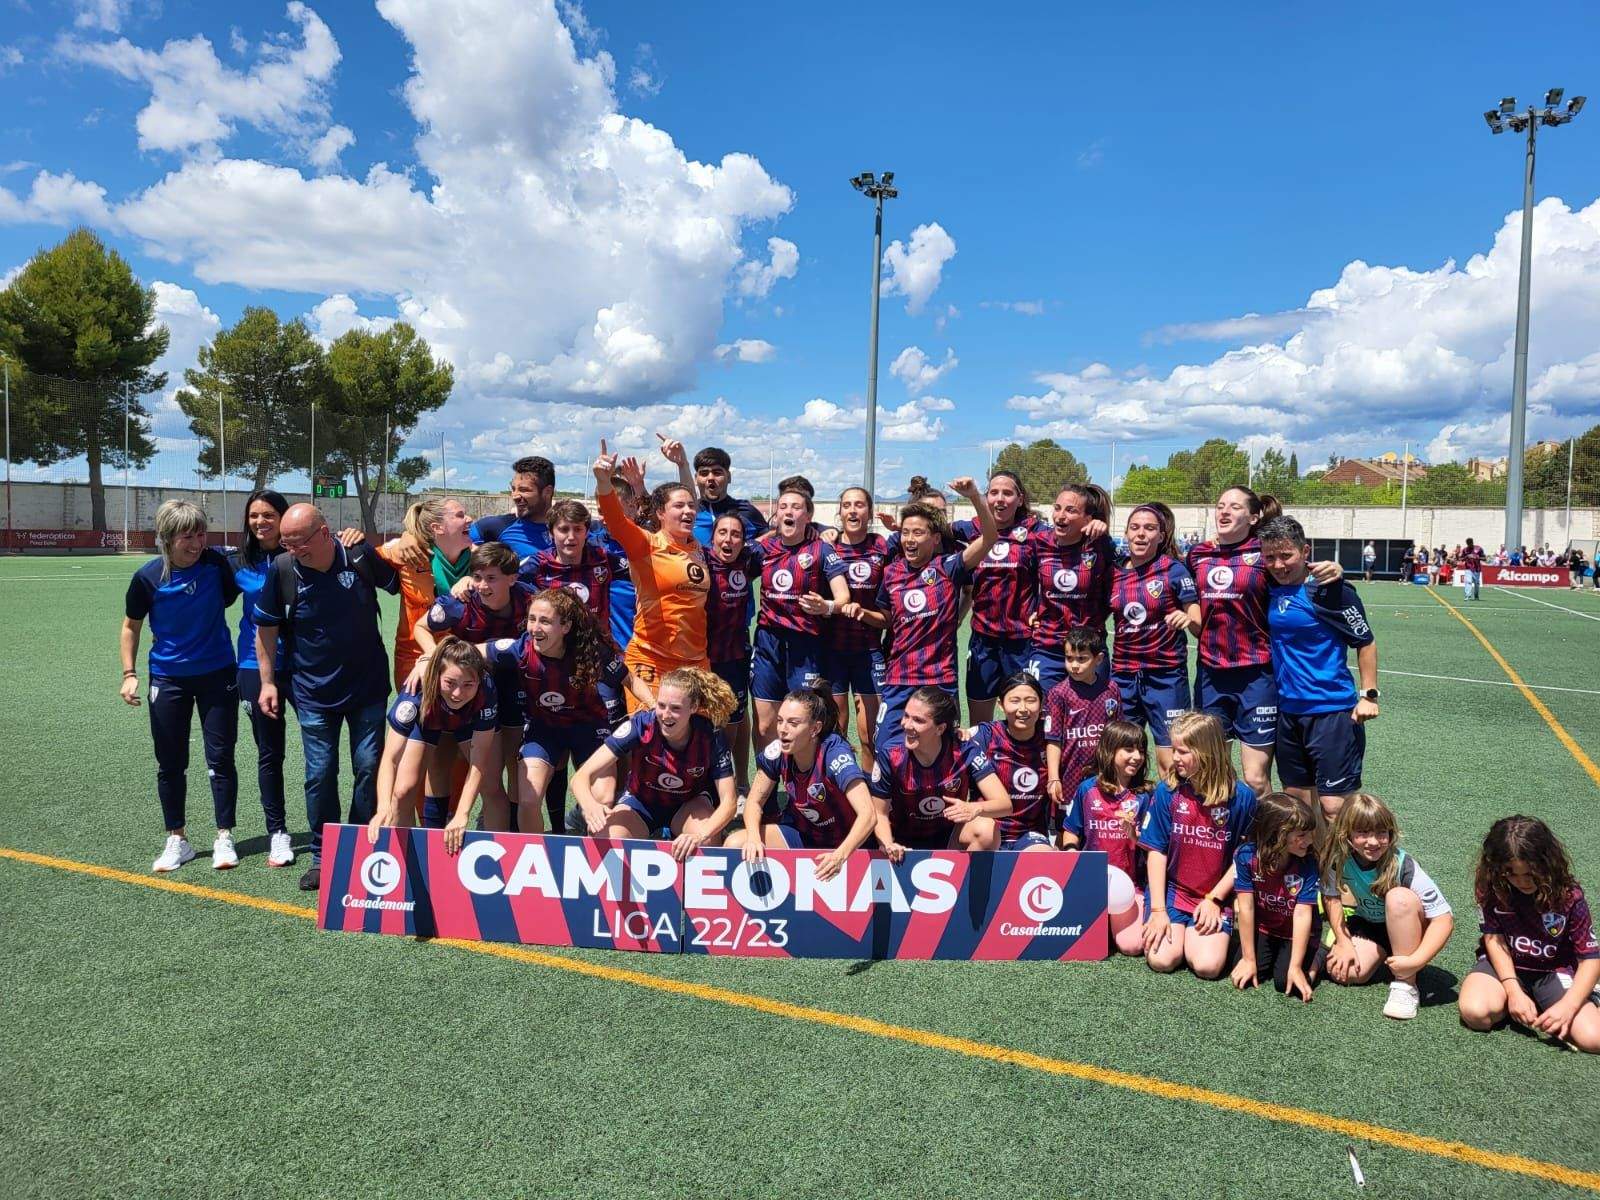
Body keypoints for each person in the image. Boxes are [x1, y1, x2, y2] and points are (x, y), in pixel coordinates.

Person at [253, 503, 401, 891]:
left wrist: (388, 543)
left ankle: (359, 842)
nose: (291, 549)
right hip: (313, 693)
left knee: (369, 768)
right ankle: (323, 854)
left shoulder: (358, 555)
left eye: (298, 541)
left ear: (324, 532)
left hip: (367, 688)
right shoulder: (282, 570)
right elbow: (266, 631)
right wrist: (268, 683)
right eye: (286, 542)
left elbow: (402, 582)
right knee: (320, 775)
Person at [1189, 488, 1342, 797]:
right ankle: (1223, 840)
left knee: (1256, 779)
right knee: (1211, 771)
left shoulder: (1264, 554)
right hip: (1210, 674)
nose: (1224, 512)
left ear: (1254, 516)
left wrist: (1337, 570)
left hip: (1256, 675)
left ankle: (1268, 841)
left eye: (1234, 506)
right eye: (1220, 506)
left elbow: (1300, 572)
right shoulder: (1197, 554)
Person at [121, 500, 242, 873]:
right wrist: (129, 674)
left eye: (201, 534)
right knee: (170, 761)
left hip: (218, 673)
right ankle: (178, 838)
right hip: (168, 678)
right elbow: (131, 626)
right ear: (167, 539)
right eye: (187, 537)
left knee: (220, 757)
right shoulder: (147, 577)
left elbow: (243, 580)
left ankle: (224, 836)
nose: (196, 543)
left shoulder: (217, 565)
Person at [483, 588, 653, 835]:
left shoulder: (590, 650)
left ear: (565, 627)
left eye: (545, 621)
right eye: (532, 619)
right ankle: (534, 859)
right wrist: (430, 660)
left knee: (603, 798)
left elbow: (630, 680)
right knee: (528, 800)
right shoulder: (520, 649)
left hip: (590, 727)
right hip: (544, 730)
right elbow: (471, 653)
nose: (535, 628)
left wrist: (652, 706)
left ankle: (594, 861)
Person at [851, 478, 996, 751]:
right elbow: (886, 619)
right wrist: (864, 613)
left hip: (938, 678)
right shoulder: (892, 572)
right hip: (899, 677)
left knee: (942, 750)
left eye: (918, 533)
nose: (909, 539)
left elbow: (989, 537)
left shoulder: (949, 567)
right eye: (905, 533)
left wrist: (975, 496)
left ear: (935, 538)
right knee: (885, 745)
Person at [1258, 515, 1378, 825]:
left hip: (1333, 713)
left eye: (1287, 555)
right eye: (1270, 557)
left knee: (1335, 808)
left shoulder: (1330, 591)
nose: (1279, 564)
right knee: (1299, 808)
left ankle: (1347, 873)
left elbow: (1365, 642)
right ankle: (1315, 870)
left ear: (1305, 551)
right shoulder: (1268, 584)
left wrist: (1369, 695)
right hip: (1289, 714)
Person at [416, 541, 533, 829]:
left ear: (513, 578)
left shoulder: (531, 602)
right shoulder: (460, 602)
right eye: (477, 577)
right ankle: (433, 836)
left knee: (514, 766)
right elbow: (421, 626)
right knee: (441, 761)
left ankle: (511, 841)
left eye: (491, 578)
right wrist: (432, 657)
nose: (481, 585)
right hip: (467, 691)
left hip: (516, 688)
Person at [1460, 815, 1600, 1052]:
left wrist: (1568, 1005)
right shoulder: (1491, 885)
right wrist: (1513, 990)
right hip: (1503, 966)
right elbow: (1494, 939)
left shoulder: (1568, 896)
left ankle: (1577, 996)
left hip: (1552, 970)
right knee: (1476, 1013)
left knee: (1594, 1039)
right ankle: (1513, 1001)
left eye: (1530, 873)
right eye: (1511, 873)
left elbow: (1590, 958)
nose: (1522, 881)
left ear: (1548, 862)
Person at [571, 667, 740, 861]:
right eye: (661, 705)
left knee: (706, 842)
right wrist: (590, 805)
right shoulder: (640, 726)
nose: (666, 715)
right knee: (605, 839)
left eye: (675, 708)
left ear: (693, 707)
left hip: (688, 804)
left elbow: (730, 802)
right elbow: (580, 777)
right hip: (641, 803)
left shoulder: (711, 735)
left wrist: (700, 835)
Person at [1138, 711, 1257, 980]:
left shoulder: (1242, 797)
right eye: (1174, 749)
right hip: (1172, 892)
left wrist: (1215, 899)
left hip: (1214, 894)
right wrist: (1158, 910)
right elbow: (1156, 851)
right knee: (1162, 959)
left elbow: (1245, 857)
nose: (1174, 758)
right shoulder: (1168, 791)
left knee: (1207, 966)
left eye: (1182, 751)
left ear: (1206, 752)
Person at [593, 440, 711, 701]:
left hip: (695, 664)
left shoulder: (697, 547)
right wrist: (604, 481)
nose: (688, 510)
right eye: (678, 507)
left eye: (691, 505)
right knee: (650, 736)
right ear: (660, 513)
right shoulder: (646, 544)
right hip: (652, 662)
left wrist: (682, 463)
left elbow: (686, 496)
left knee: (698, 738)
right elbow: (615, 520)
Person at [1323, 793, 1455, 1021]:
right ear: (1346, 834)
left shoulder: (1403, 864)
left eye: (1381, 833)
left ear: (1391, 833)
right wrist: (1343, 941)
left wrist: (1417, 960)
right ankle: (1381, 954)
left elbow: (1444, 918)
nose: (1373, 842)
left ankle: (1406, 984)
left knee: (1398, 898)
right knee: (1344, 972)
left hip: (1409, 925)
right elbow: (1331, 897)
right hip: (1370, 924)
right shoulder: (1337, 858)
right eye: (1363, 833)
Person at [726, 687, 877, 876]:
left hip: (847, 842)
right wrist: (754, 837)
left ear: (815, 728)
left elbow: (868, 815)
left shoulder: (834, 754)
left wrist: (840, 856)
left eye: (793, 723)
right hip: (803, 835)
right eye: (780, 721)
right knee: (735, 844)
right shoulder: (777, 751)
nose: (782, 730)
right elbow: (754, 802)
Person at [367, 636, 503, 837]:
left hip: (470, 719)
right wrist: (383, 806)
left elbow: (478, 763)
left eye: (468, 684)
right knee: (402, 791)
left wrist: (461, 814)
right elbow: (390, 758)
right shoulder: (415, 694)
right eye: (450, 682)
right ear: (436, 676)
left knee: (491, 786)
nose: (457, 693)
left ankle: (500, 853)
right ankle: (406, 858)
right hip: (429, 717)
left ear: (479, 681)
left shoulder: (486, 689)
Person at [750, 486, 851, 746]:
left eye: (796, 507)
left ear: (808, 516)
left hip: (806, 644)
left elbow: (843, 598)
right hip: (768, 643)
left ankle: (807, 784)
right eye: (783, 507)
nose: (788, 512)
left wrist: (825, 606)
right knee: (764, 726)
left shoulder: (822, 550)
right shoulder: (765, 549)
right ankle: (767, 787)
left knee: (804, 723)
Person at [227, 488, 295, 867]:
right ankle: (278, 832)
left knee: (321, 752)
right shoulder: (236, 563)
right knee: (270, 753)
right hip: (255, 668)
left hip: (302, 665)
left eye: (269, 515)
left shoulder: (300, 556)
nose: (260, 522)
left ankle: (330, 830)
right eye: (254, 516)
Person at [1110, 503, 1200, 773]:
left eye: (1149, 528)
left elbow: (1196, 620)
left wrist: (1189, 619)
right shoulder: (1113, 572)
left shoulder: (1173, 570)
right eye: (1135, 528)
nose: (1141, 534)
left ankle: (1174, 814)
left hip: (1165, 676)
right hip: (1123, 676)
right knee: (1124, 758)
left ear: (1161, 535)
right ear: (1125, 533)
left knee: (1171, 760)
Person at [868, 687, 1013, 854]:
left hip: (949, 838)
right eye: (906, 716)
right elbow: (879, 812)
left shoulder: (965, 750)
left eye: (918, 720)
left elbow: (1004, 804)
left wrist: (974, 808)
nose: (906, 725)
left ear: (940, 729)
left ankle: (962, 877)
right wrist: (888, 845)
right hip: (901, 841)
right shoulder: (890, 754)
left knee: (986, 829)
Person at [1059, 720, 1152, 956]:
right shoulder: (1087, 789)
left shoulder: (1147, 795)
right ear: (1109, 751)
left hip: (1131, 886)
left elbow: (1156, 846)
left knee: (1132, 946)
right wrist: (1071, 854)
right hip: (1091, 883)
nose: (1136, 757)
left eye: (1140, 750)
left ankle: (1117, 922)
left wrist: (1135, 835)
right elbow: (1071, 829)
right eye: (1128, 750)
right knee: (1077, 942)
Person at [957, 470, 1041, 725]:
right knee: (979, 723)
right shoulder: (969, 529)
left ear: (1020, 499)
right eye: (994, 492)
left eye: (1008, 493)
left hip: (1022, 641)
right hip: (983, 641)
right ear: (986, 497)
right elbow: (928, 530)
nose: (1000, 499)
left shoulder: (1036, 532)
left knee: (1023, 717)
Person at [1230, 791, 1322, 1002]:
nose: (1309, 841)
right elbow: (1246, 907)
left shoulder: (1308, 862)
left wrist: (1297, 966)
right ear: (1276, 835)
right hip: (1265, 928)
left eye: (1310, 833)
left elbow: (1301, 913)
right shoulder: (1245, 856)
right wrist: (1248, 958)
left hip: (1294, 932)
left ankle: (1320, 953)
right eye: (1301, 835)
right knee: (1245, 972)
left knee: (1285, 983)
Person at [1027, 483, 1114, 692]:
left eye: (1070, 510)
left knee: (1093, 719)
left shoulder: (1101, 545)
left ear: (1088, 519)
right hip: (1047, 647)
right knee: (1041, 714)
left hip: (1088, 648)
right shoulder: (1039, 543)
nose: (1060, 516)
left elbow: (1118, 587)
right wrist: (1033, 608)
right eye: (1057, 508)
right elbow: (1023, 578)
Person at [824, 487, 890, 762]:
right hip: (832, 651)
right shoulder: (827, 546)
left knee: (870, 734)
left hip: (868, 649)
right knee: (835, 732)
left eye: (860, 505)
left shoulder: (883, 547)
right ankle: (840, 793)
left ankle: (872, 794)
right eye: (847, 505)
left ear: (870, 512)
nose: (853, 510)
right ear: (839, 512)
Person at [387, 497, 474, 692]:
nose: (469, 518)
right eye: (460, 515)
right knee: (411, 719)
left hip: (461, 659)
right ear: (437, 528)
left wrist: (473, 580)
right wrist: (406, 536)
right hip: (415, 658)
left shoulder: (478, 559)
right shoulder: (409, 553)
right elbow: (367, 556)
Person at [967, 673, 1053, 851]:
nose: (1023, 708)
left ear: (1042, 703)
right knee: (985, 833)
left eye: (1031, 700)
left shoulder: (1050, 739)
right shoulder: (985, 736)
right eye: (1014, 701)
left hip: (1029, 834)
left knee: (1044, 854)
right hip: (987, 826)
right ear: (1001, 704)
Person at [704, 512, 758, 791]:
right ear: (712, 538)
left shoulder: (748, 562)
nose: (728, 539)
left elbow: (776, 538)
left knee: (731, 724)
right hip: (700, 657)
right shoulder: (699, 560)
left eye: (735, 534)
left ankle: (736, 785)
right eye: (722, 532)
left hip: (735, 656)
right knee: (700, 723)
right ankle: (707, 786)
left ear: (743, 542)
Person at [1043, 626, 1122, 805]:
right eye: (1069, 658)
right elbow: (1053, 739)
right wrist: (1054, 777)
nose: (1075, 665)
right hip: (1069, 777)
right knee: (1066, 829)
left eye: (1082, 659)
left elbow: (1117, 734)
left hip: (1104, 774)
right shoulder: (1058, 693)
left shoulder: (1111, 689)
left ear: (1099, 659)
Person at [470, 455, 557, 562]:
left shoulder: (572, 530)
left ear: (547, 492)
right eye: (513, 489)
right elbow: (454, 543)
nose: (515, 496)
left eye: (524, 490)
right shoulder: (498, 526)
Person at [691, 445, 769, 546]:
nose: (710, 477)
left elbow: (773, 542)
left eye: (717, 472)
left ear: (729, 477)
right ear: (696, 479)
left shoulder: (746, 511)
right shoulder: (690, 514)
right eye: (704, 473)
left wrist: (748, 547)